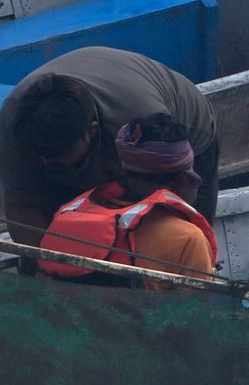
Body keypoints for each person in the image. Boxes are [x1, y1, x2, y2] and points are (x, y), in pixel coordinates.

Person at [0, 51, 219, 249]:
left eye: (58, 157)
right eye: (40, 156)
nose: (46, 161)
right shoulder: (17, 122)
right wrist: (47, 265)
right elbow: (22, 207)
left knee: (175, 242)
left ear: (91, 132)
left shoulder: (136, 119)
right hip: (101, 139)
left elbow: (180, 195)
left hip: (178, 143)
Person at [29, 116, 222, 283]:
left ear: (122, 167)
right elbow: (194, 319)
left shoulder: (69, 212)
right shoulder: (187, 237)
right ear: (181, 178)